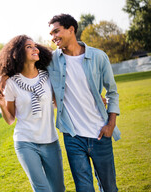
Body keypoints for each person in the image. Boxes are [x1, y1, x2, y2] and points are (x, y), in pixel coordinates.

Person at [47, 14, 120, 192]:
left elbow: (112, 92)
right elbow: (22, 60)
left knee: (109, 187)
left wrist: (111, 124)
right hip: (73, 136)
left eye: (56, 31)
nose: (53, 37)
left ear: (71, 29)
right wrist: (2, 79)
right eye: (51, 34)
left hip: (100, 133)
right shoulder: (51, 60)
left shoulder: (98, 56)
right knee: (84, 188)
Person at [0, 35, 65, 192]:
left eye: (35, 46)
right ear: (18, 53)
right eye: (29, 46)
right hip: (25, 142)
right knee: (42, 189)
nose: (35, 49)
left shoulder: (48, 76)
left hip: (50, 141)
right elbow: (10, 119)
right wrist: (2, 105)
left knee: (58, 189)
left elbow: (59, 101)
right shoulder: (11, 83)